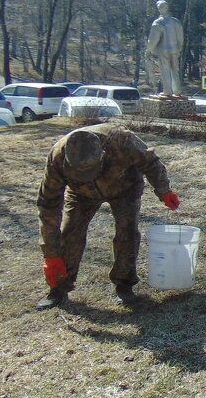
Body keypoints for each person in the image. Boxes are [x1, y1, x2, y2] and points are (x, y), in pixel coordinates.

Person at [36, 123, 180, 310]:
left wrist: (164, 190)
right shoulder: (57, 156)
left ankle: (124, 285)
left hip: (125, 187)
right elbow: (48, 205)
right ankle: (58, 289)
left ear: (103, 154)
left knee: (126, 232)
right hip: (81, 194)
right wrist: (51, 254)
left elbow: (150, 162)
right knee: (70, 233)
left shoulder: (121, 139)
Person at [146, 0, 184, 96]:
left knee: (165, 71)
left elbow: (153, 40)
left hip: (163, 51)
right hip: (174, 50)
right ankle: (177, 90)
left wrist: (149, 50)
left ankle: (167, 91)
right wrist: (179, 48)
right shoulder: (176, 22)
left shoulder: (158, 23)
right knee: (175, 70)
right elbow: (180, 38)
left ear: (159, 9)